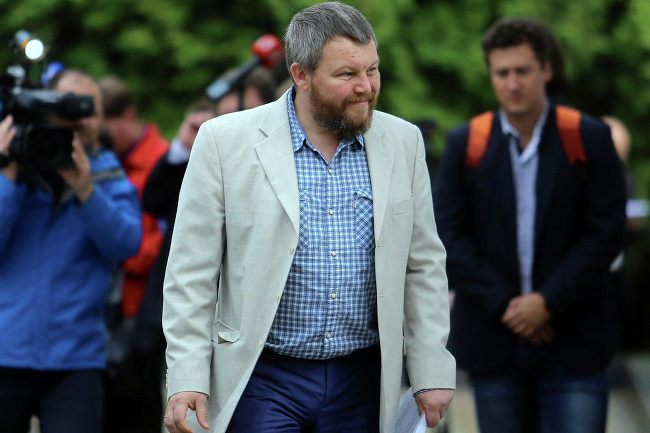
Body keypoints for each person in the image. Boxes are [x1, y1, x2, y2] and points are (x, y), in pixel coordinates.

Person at [162, 2, 456, 433]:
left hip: (364, 378)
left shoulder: (404, 141)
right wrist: (187, 375)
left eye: (372, 69)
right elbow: (191, 273)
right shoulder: (224, 141)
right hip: (262, 376)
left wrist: (431, 368)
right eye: (347, 74)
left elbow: (423, 264)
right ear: (301, 75)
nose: (366, 87)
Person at [433, 18, 627, 433]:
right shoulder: (466, 143)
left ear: (546, 69)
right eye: (502, 73)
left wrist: (548, 302)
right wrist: (508, 305)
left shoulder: (588, 137)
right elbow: (449, 236)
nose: (512, 83)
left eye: (522, 71)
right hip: (494, 342)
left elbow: (606, 232)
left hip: (575, 341)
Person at [0, 68, 142, 433]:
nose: (77, 121)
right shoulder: (12, 165)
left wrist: (85, 190)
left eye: (88, 111)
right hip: (7, 350)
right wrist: (8, 175)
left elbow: (126, 244)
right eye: (65, 108)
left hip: (77, 359)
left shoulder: (106, 173)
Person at [97, 75, 170, 433]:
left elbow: (157, 250)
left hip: (140, 317)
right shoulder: (107, 159)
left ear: (127, 117)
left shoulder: (163, 162)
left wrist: (106, 242)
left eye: (105, 126)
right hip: (104, 315)